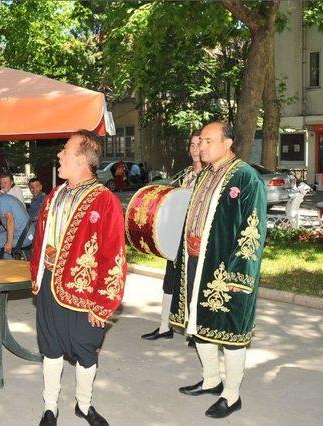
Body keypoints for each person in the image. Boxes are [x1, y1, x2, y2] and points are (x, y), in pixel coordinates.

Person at [170, 122, 266, 419]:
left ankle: (232, 394)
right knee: (200, 323)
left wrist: (240, 275)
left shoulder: (246, 177)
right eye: (200, 141)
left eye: (208, 141)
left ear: (228, 143)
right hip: (197, 261)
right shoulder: (204, 176)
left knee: (230, 331)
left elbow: (253, 230)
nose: (202, 146)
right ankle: (212, 380)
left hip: (226, 268)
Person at [30, 130, 127, 426]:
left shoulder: (105, 201)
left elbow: (114, 255)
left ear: (83, 159)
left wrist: (104, 304)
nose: (59, 155)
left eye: (65, 151)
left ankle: (84, 406)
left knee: (86, 351)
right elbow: (40, 238)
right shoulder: (55, 194)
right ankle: (50, 407)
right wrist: (37, 273)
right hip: (49, 285)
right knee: (50, 347)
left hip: (84, 295)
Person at [141, 130, 203, 342]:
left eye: (199, 144)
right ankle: (164, 326)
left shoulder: (210, 175)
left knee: (194, 285)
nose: (196, 149)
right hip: (177, 238)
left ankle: (196, 331)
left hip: (196, 238)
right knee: (169, 283)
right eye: (192, 145)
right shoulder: (186, 173)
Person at [0, 185, 31, 259]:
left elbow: (10, 220)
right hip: (26, 233)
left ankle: (12, 265)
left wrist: (9, 242)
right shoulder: (5, 198)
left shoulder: (2, 200)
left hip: (22, 237)